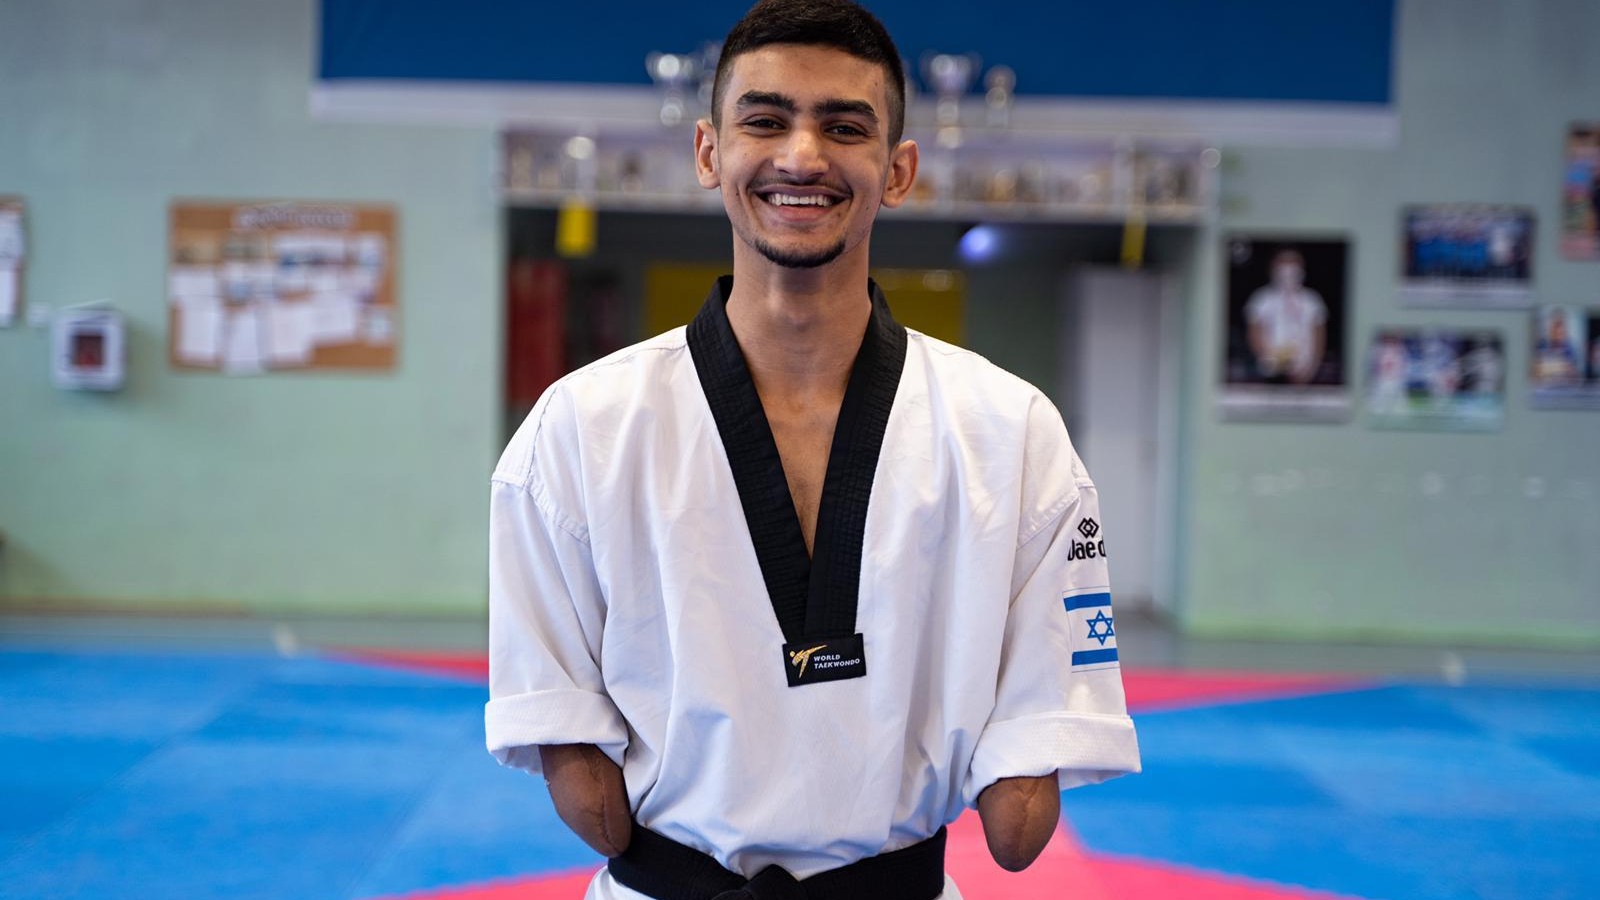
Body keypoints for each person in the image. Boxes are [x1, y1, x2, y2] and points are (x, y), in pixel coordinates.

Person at [485, 2, 1140, 898]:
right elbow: (566, 738)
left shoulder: (1010, 429)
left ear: (898, 170)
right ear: (709, 151)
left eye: (845, 127)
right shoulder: (581, 427)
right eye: (765, 120)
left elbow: (1028, 786)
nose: (802, 156)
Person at [1245, 248, 1327, 385]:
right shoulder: (1261, 299)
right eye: (1283, 270)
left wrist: (1311, 367)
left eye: (1293, 270)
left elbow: (1319, 335)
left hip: (1305, 371)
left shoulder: (1312, 300)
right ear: (1273, 271)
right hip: (1269, 370)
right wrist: (1269, 359)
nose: (1288, 275)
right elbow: (1254, 332)